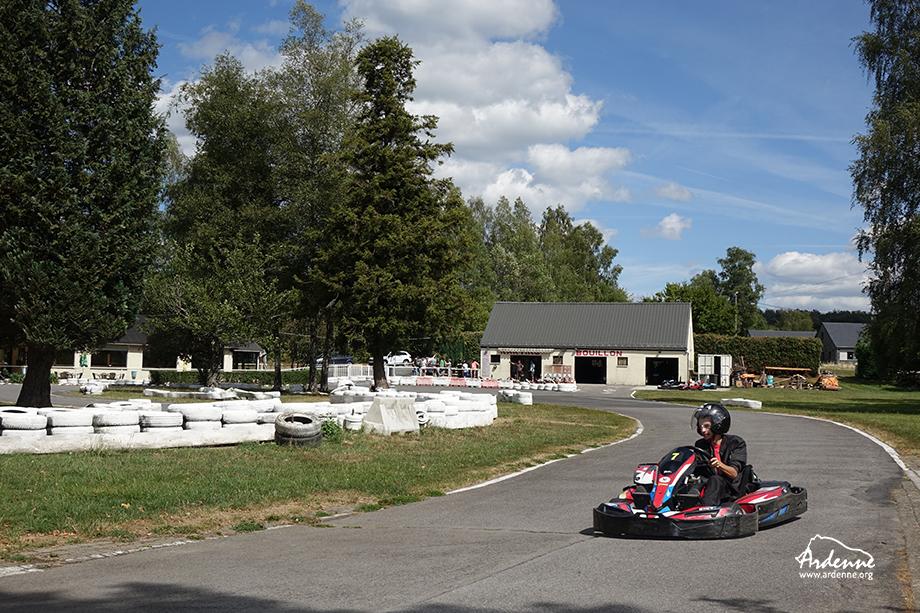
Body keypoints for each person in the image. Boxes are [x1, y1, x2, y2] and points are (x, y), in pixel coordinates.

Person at [692, 403, 747, 506]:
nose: (703, 430)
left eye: (707, 426)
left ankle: (707, 510)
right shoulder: (700, 445)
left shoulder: (736, 443)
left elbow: (734, 473)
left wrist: (719, 465)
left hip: (731, 488)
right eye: (701, 426)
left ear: (718, 425)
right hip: (709, 486)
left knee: (715, 479)